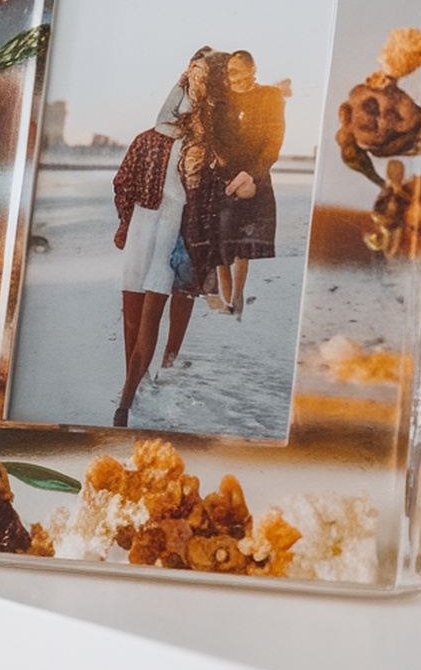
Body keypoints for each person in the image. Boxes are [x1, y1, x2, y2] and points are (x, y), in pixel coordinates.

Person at [110, 49, 214, 428]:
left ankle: (132, 391)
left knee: (136, 312)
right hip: (166, 228)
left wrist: (125, 222)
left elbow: (122, 184)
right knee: (149, 311)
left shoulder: (148, 139)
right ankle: (135, 389)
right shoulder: (197, 144)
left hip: (147, 226)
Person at [214, 51, 288, 318]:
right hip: (222, 176)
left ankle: (237, 296)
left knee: (243, 243)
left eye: (236, 69)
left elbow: (274, 141)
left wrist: (252, 175)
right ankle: (227, 300)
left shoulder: (269, 97)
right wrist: (224, 173)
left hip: (254, 177)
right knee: (220, 242)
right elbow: (213, 137)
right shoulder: (220, 98)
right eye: (228, 69)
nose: (231, 74)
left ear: (251, 69)